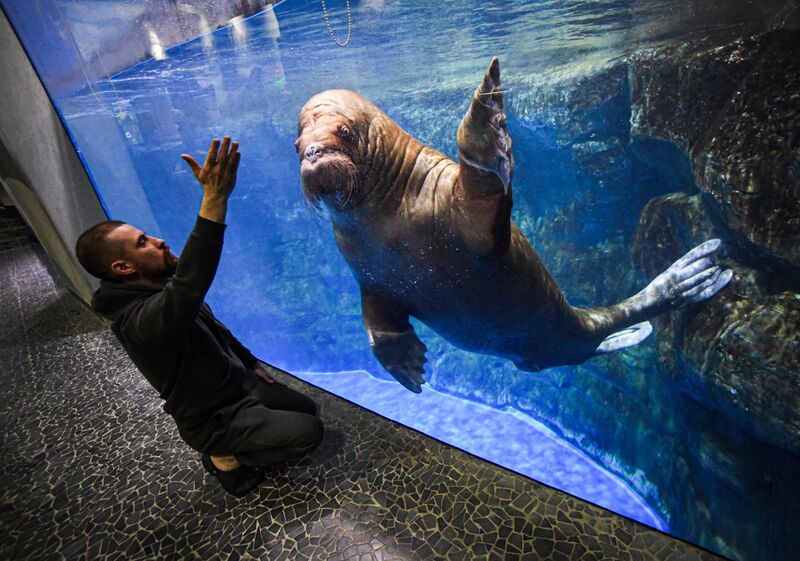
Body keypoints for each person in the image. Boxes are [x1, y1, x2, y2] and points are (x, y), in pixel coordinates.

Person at [75, 136, 324, 497]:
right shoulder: (140, 323)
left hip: (237, 384)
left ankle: (244, 434)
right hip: (215, 418)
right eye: (143, 242)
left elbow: (214, 327)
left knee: (307, 409)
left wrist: (249, 361)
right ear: (124, 267)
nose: (159, 240)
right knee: (307, 434)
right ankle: (225, 458)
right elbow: (192, 283)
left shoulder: (161, 288)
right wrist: (215, 197)